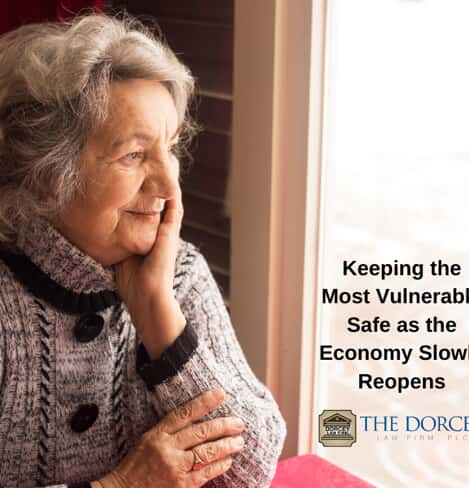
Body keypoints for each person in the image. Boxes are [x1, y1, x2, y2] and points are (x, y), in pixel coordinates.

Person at [0, 13, 287, 488]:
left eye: (170, 148)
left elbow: (251, 471)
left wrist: (158, 313)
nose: (168, 182)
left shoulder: (181, 274)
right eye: (133, 155)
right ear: (49, 175)